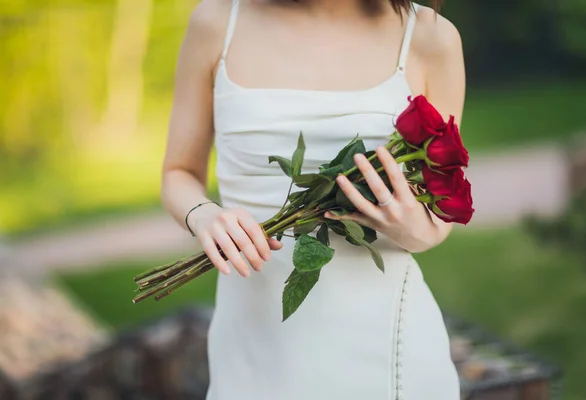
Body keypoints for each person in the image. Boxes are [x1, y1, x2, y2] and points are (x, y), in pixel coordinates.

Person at [161, 0, 465, 398]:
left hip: (388, 351)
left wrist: (414, 229)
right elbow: (178, 172)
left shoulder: (430, 35)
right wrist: (204, 216)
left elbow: (440, 209)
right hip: (253, 346)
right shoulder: (217, 23)